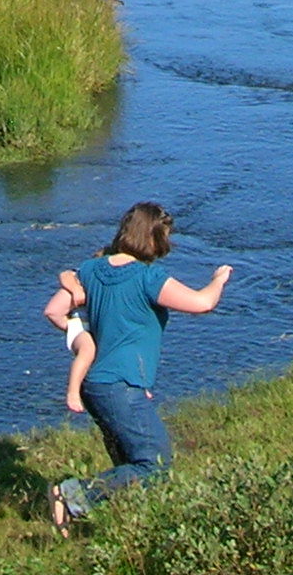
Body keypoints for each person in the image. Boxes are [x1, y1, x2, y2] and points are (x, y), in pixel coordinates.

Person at [45, 202, 233, 533]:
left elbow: (55, 311)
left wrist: (82, 336)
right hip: (120, 385)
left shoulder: (91, 270)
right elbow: (203, 303)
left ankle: (117, 525)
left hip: (96, 385)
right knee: (153, 465)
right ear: (155, 238)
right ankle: (72, 496)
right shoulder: (148, 278)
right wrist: (219, 278)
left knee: (130, 464)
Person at [57, 269, 95, 413]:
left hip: (99, 325)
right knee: (87, 350)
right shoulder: (84, 279)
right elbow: (65, 274)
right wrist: (75, 289)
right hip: (80, 323)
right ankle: (73, 392)